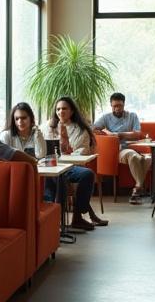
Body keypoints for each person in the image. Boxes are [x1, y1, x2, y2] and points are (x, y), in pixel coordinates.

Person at [43, 96, 108, 230]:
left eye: (64, 108)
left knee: (87, 174)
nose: (61, 112)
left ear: (72, 111)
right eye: (58, 109)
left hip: (71, 167)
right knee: (55, 178)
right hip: (51, 167)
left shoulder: (80, 130)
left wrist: (66, 147)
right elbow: (42, 149)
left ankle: (77, 215)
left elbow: (81, 153)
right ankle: (51, 220)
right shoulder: (48, 127)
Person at [93, 92, 151, 205]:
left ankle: (137, 189)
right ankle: (139, 187)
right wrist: (105, 133)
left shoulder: (132, 116)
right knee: (133, 156)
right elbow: (93, 128)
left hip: (136, 147)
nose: (117, 108)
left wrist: (118, 135)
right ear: (111, 106)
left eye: (119, 105)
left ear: (124, 105)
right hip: (119, 149)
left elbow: (137, 134)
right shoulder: (106, 118)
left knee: (148, 158)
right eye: (114, 106)